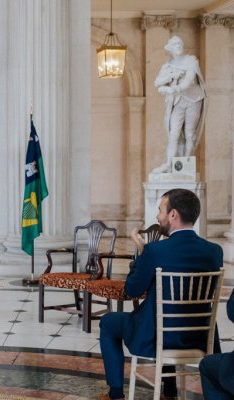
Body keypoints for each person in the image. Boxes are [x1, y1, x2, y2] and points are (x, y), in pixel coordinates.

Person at [97, 188, 222, 400]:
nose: (157, 216)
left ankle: (115, 394)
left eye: (160, 210)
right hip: (199, 335)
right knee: (166, 312)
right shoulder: (214, 251)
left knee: (108, 322)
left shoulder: (155, 251)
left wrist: (143, 253)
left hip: (157, 334)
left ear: (173, 214)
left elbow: (132, 290)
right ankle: (170, 391)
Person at [152, 36, 207, 174]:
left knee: (189, 133)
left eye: (180, 43)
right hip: (178, 102)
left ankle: (185, 165)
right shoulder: (167, 66)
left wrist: (172, 89)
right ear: (170, 48)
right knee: (173, 134)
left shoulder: (191, 61)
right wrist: (170, 77)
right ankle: (169, 164)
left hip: (194, 99)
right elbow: (157, 83)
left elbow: (188, 81)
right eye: (175, 44)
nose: (178, 45)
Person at [199, 291, 234, 399]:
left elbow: (232, 311)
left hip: (165, 333)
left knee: (208, 366)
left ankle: (169, 389)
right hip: (203, 331)